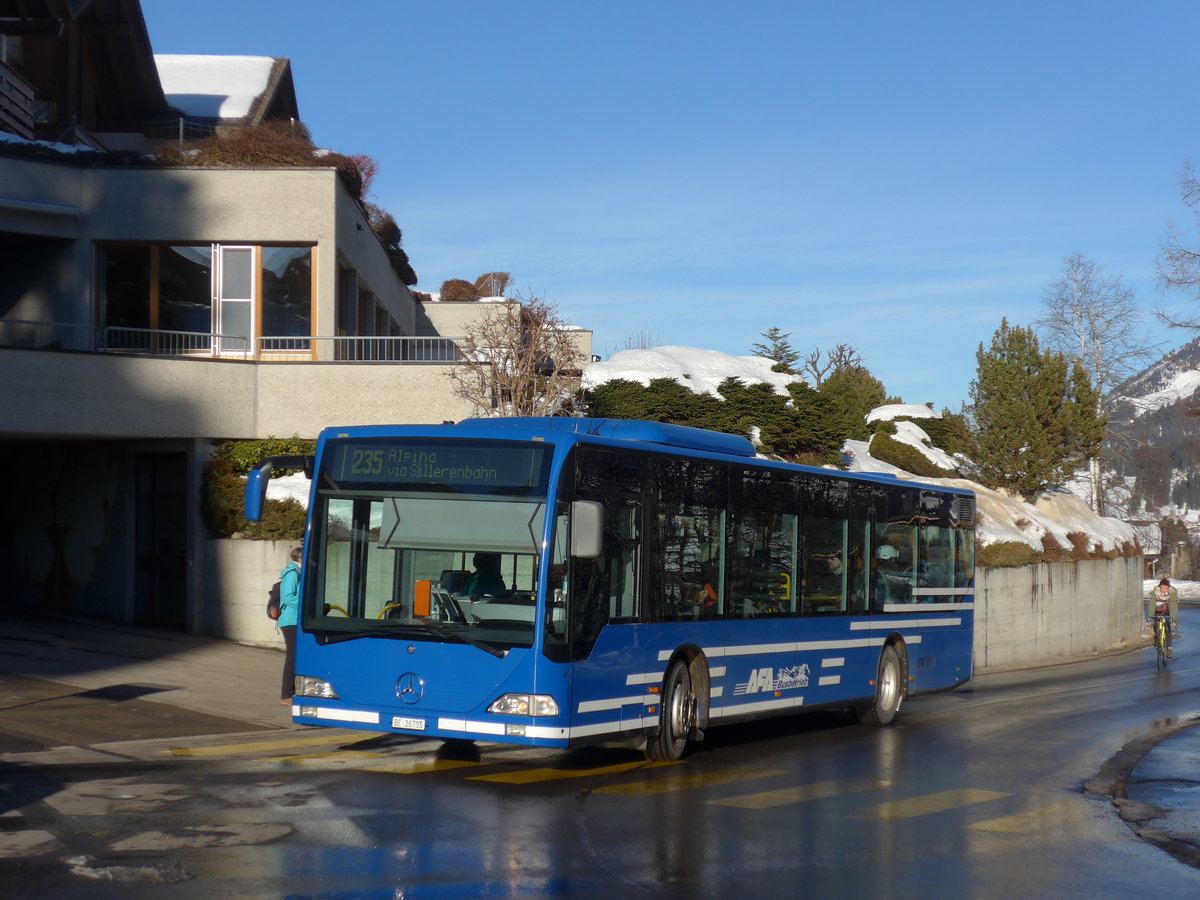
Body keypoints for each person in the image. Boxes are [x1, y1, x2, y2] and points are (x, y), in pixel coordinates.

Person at [278, 546, 302, 705]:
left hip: (294, 620)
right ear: (300, 558)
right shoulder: (292, 574)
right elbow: (287, 597)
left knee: (295, 656)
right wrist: (304, 605)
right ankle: (286, 695)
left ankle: (290, 693)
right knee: (292, 657)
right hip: (290, 620)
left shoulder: (297, 573)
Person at [1146, 577, 1180, 658]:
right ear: (1159, 587)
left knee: (1168, 628)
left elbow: (1173, 607)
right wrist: (1150, 618)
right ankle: (1156, 636)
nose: (1164, 589)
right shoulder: (1155, 593)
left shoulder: (1172, 594)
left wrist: (1172, 619)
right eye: (1162, 587)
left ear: (1169, 588)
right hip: (1158, 612)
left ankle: (1169, 649)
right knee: (1156, 624)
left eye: (1166, 588)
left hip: (1168, 613)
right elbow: (1152, 605)